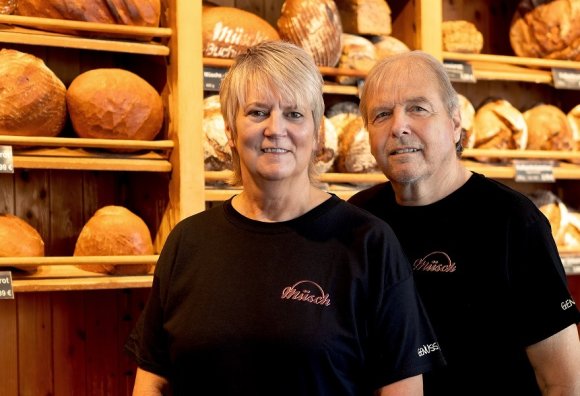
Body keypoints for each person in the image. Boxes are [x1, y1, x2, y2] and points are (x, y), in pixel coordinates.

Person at [124, 41, 445, 396]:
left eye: (294, 114)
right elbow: (152, 381)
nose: (275, 129)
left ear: (317, 133)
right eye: (258, 112)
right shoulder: (187, 242)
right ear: (230, 130)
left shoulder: (368, 243)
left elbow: (402, 389)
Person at [348, 50, 580, 396]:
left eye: (418, 108)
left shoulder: (512, 221)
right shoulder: (361, 219)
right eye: (381, 114)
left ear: (455, 123)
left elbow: (562, 382)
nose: (398, 126)